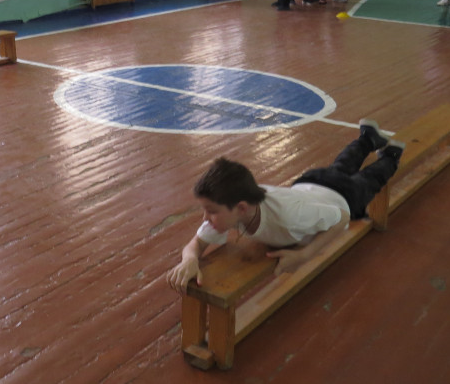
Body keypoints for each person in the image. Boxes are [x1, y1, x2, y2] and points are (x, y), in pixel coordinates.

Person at [166, 120, 405, 292]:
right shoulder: (234, 209)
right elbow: (196, 244)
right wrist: (190, 260)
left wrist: (304, 255)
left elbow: (342, 217)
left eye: (211, 211)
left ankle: (391, 156)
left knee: (370, 178)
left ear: (241, 208)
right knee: (342, 165)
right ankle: (368, 139)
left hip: (343, 197)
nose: (205, 218)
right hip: (308, 183)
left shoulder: (290, 216)